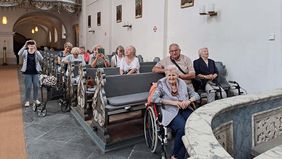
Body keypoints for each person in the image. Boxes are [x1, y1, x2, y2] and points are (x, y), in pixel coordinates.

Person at [152, 65, 200, 159]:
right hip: (170, 110)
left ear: (177, 75)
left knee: (193, 123)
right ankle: (176, 156)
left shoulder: (182, 83)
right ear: (166, 75)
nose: (171, 77)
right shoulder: (162, 84)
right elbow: (155, 99)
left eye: (173, 75)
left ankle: (179, 154)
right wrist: (173, 102)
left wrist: (189, 101)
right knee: (182, 127)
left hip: (184, 108)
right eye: (169, 75)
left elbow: (196, 95)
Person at [18, 40, 43, 107]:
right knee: (28, 87)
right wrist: (25, 45)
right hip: (27, 72)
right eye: (30, 44)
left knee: (36, 86)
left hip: (35, 72)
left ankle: (35, 99)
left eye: (32, 44)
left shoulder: (36, 52)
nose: (31, 46)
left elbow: (41, 59)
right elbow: (19, 53)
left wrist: (36, 50)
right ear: (28, 46)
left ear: (34, 45)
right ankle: (27, 100)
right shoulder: (25, 52)